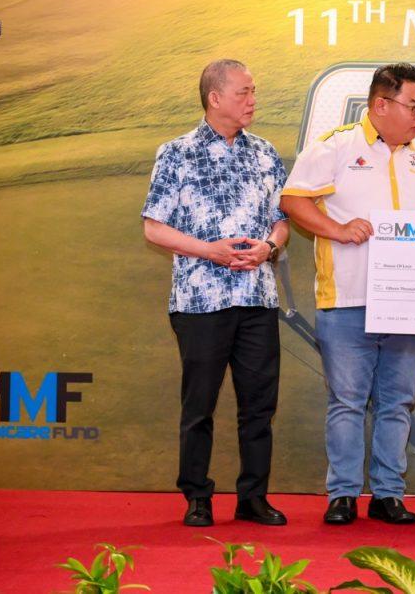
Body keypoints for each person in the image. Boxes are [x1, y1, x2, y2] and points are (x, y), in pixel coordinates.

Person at [280, 63, 415, 526]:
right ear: (381, 104)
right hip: (347, 298)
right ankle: (342, 494)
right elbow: (293, 199)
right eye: (413, 105)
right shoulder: (336, 146)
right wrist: (337, 229)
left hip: (412, 302)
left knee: (397, 402)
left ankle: (388, 494)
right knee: (346, 400)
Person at [142, 59, 289, 527]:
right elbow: (154, 227)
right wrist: (210, 251)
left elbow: (281, 222)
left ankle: (253, 498)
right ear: (215, 98)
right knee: (199, 405)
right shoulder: (176, 153)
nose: (252, 100)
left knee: (259, 407)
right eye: (244, 92)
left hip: (257, 299)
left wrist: (269, 247)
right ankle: (197, 497)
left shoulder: (265, 153)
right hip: (200, 301)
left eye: (253, 91)